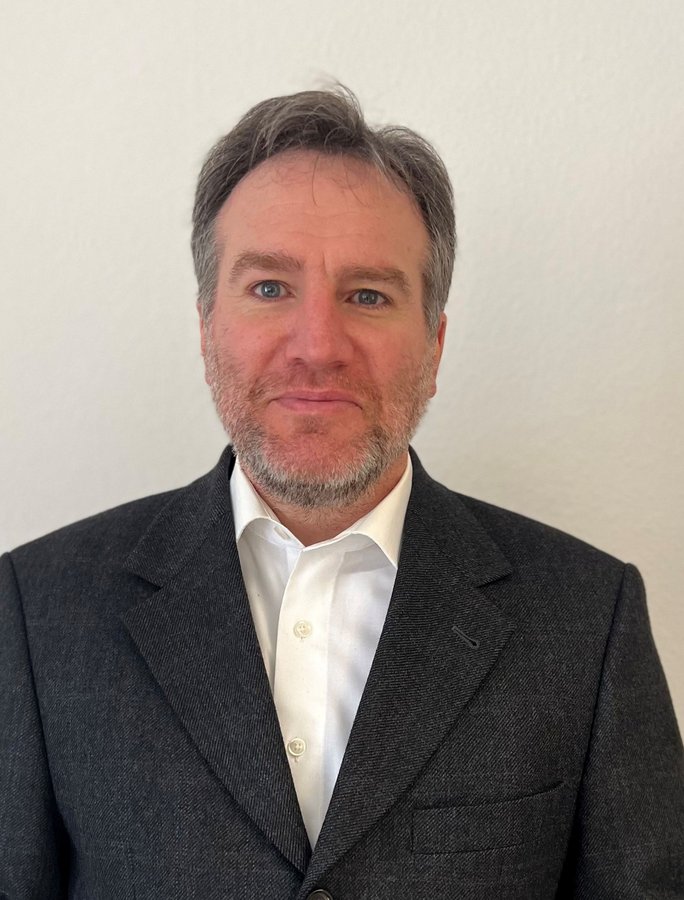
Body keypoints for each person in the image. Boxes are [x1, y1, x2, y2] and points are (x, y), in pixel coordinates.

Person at [1, 87, 682, 900]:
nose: (317, 347)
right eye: (269, 288)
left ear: (434, 343)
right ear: (207, 326)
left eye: (367, 295)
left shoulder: (588, 617)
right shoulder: (37, 611)